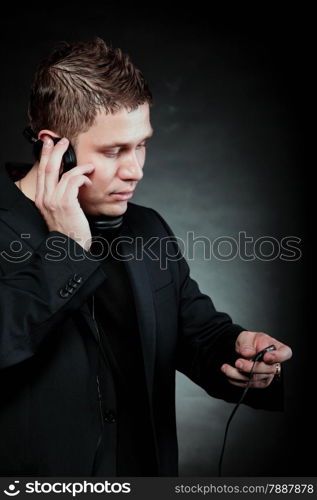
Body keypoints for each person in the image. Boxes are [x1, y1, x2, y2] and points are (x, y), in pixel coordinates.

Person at [0, 37, 292, 477]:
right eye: (115, 151)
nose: (135, 169)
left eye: (142, 145)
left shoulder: (148, 228)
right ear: (55, 149)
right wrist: (66, 249)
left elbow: (196, 332)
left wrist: (238, 355)